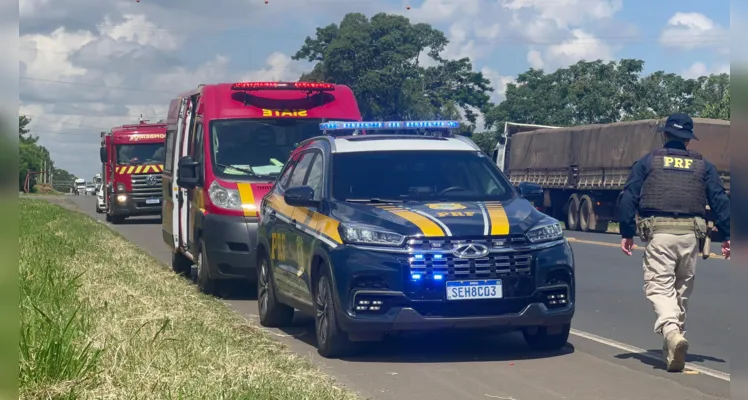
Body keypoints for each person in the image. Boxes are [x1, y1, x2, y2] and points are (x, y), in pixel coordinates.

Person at [618, 112, 730, 373]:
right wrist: (727, 236)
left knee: (659, 287)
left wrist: (627, 232)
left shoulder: (648, 162)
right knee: (681, 292)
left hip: (660, 234)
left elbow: (628, 198)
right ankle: (673, 349)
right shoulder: (704, 166)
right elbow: (720, 201)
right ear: (688, 141)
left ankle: (671, 331)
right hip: (691, 237)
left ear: (665, 135)